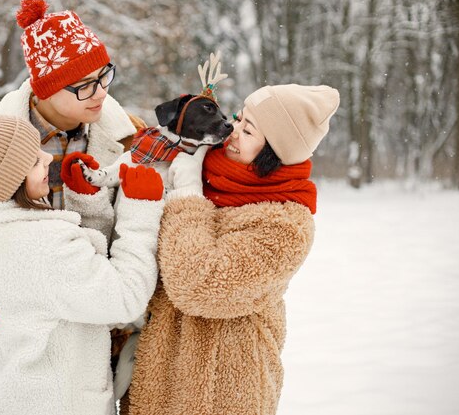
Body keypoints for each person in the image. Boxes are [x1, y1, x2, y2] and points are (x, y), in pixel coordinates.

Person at [0, 0, 146, 362]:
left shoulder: (131, 137)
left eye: (104, 76)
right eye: (83, 86)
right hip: (19, 344)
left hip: (107, 334)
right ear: (45, 88)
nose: (101, 93)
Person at [0, 109, 164, 415]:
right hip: (58, 402)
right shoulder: (42, 245)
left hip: (10, 394)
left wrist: (85, 202)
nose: (47, 158)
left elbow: (68, 274)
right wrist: (140, 210)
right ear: (7, 181)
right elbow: (124, 298)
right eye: (34, 161)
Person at [125, 84, 340, 415]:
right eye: (238, 118)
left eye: (248, 130)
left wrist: (187, 197)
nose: (231, 131)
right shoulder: (206, 172)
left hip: (221, 394)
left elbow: (198, 284)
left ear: (274, 152)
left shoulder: (284, 224)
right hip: (157, 382)